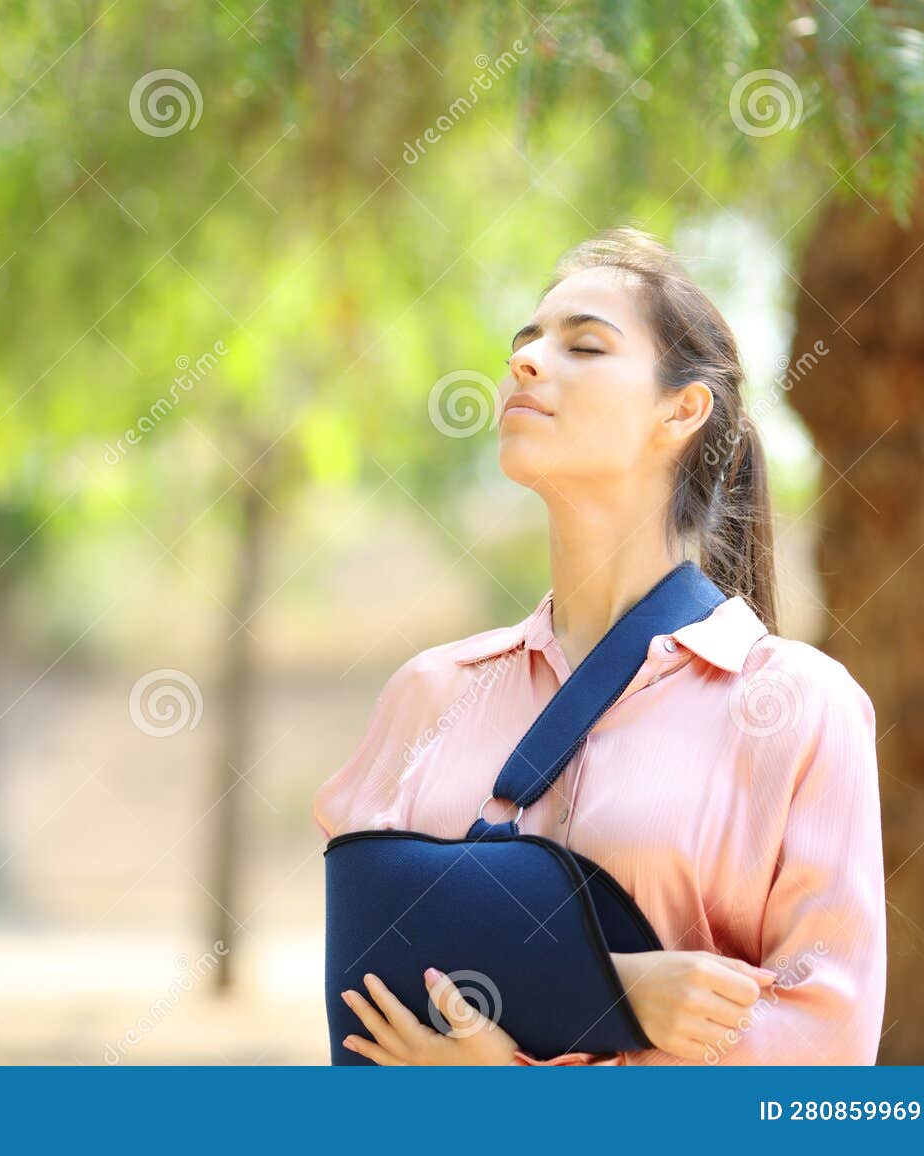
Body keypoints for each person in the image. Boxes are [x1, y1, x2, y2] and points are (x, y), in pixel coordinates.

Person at [313, 227, 886, 1065]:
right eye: (525, 343)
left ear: (681, 410)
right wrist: (621, 991)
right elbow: (365, 1004)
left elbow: (817, 1066)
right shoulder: (429, 694)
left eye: (583, 344)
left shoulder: (795, 706)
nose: (528, 362)